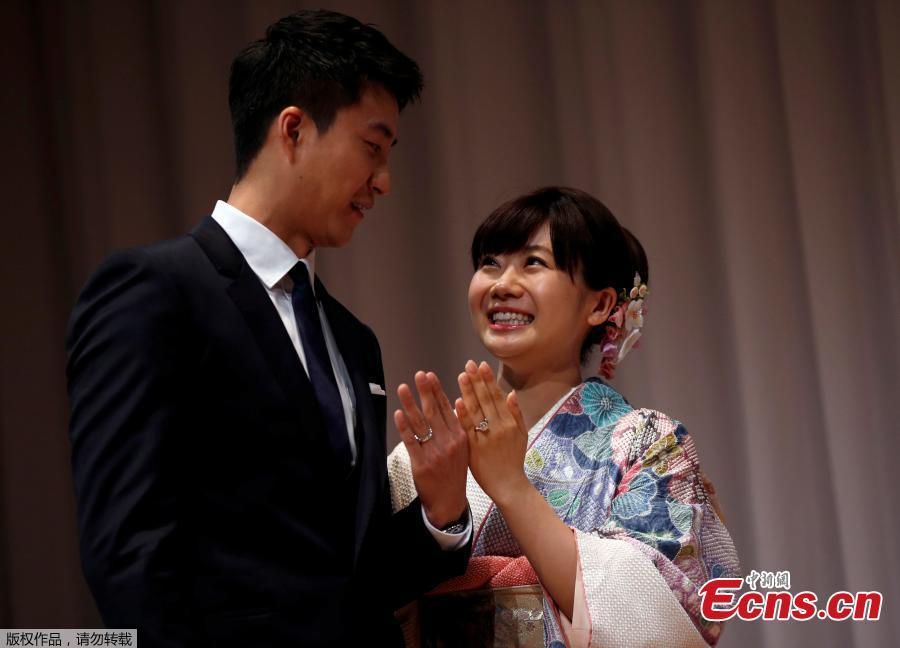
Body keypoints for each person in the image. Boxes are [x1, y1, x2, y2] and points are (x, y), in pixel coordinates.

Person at [66, 10, 470, 647]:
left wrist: (441, 515)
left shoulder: (354, 340)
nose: (384, 182)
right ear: (294, 130)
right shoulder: (154, 292)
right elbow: (128, 553)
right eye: (372, 147)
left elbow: (348, 573)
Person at [389, 187, 741, 647]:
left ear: (598, 305)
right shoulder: (424, 452)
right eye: (490, 262)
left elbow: (665, 621)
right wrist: (440, 518)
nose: (502, 284)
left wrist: (513, 488)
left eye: (533, 263)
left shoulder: (647, 443)